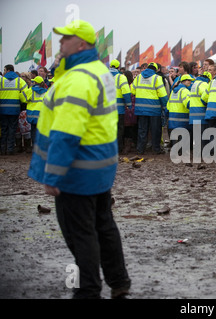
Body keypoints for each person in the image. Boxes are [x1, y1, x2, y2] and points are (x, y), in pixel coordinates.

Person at [27, 19, 131, 299]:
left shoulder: (78, 78)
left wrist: (53, 174)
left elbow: (66, 134)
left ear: (81, 44)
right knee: (103, 225)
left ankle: (88, 290)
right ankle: (119, 282)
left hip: (77, 170)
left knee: (80, 233)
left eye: (65, 39)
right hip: (99, 165)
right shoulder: (98, 71)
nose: (60, 43)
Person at [131, 62, 168, 155]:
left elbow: (132, 90)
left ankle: (140, 149)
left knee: (142, 130)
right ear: (155, 70)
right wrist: (165, 106)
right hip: (154, 109)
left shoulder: (138, 77)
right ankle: (156, 149)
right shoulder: (157, 78)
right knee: (155, 130)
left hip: (141, 109)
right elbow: (162, 94)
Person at [0, 64, 28, 155]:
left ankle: (2, 149)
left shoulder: (1, 80)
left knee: (4, 129)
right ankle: (10, 150)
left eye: (4, 70)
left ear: (8, 70)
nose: (4, 72)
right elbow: (25, 97)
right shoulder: (20, 81)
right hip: (14, 109)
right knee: (12, 129)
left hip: (2, 109)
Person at [110, 59, 132, 154]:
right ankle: (118, 148)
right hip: (119, 110)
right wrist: (129, 105)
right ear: (119, 67)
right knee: (119, 129)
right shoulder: (121, 77)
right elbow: (126, 92)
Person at [167, 74, 194, 146]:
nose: (190, 82)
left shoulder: (173, 91)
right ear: (183, 81)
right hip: (182, 119)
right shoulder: (184, 91)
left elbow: (168, 105)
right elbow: (188, 104)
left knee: (175, 143)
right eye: (189, 80)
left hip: (172, 119)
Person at [189, 71, 212, 150]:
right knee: (203, 135)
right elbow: (205, 97)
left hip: (193, 113)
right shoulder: (203, 84)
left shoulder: (194, 84)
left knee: (197, 135)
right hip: (201, 113)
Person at [25, 76, 47, 145]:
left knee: (33, 130)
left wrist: (29, 88)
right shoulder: (46, 91)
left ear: (35, 82)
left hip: (32, 114)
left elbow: (23, 98)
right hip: (42, 114)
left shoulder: (31, 90)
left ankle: (34, 146)